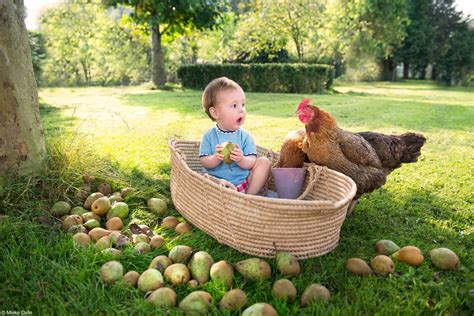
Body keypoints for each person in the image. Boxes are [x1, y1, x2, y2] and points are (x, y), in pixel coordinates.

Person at [199, 77, 271, 195]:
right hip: (218, 185)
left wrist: (241, 159)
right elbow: (204, 161)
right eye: (234, 106)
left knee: (264, 162)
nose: (241, 110)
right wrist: (215, 158)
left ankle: (249, 197)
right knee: (211, 181)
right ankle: (232, 196)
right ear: (215, 113)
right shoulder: (209, 136)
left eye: (242, 105)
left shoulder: (245, 136)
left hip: (243, 185)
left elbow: (252, 162)